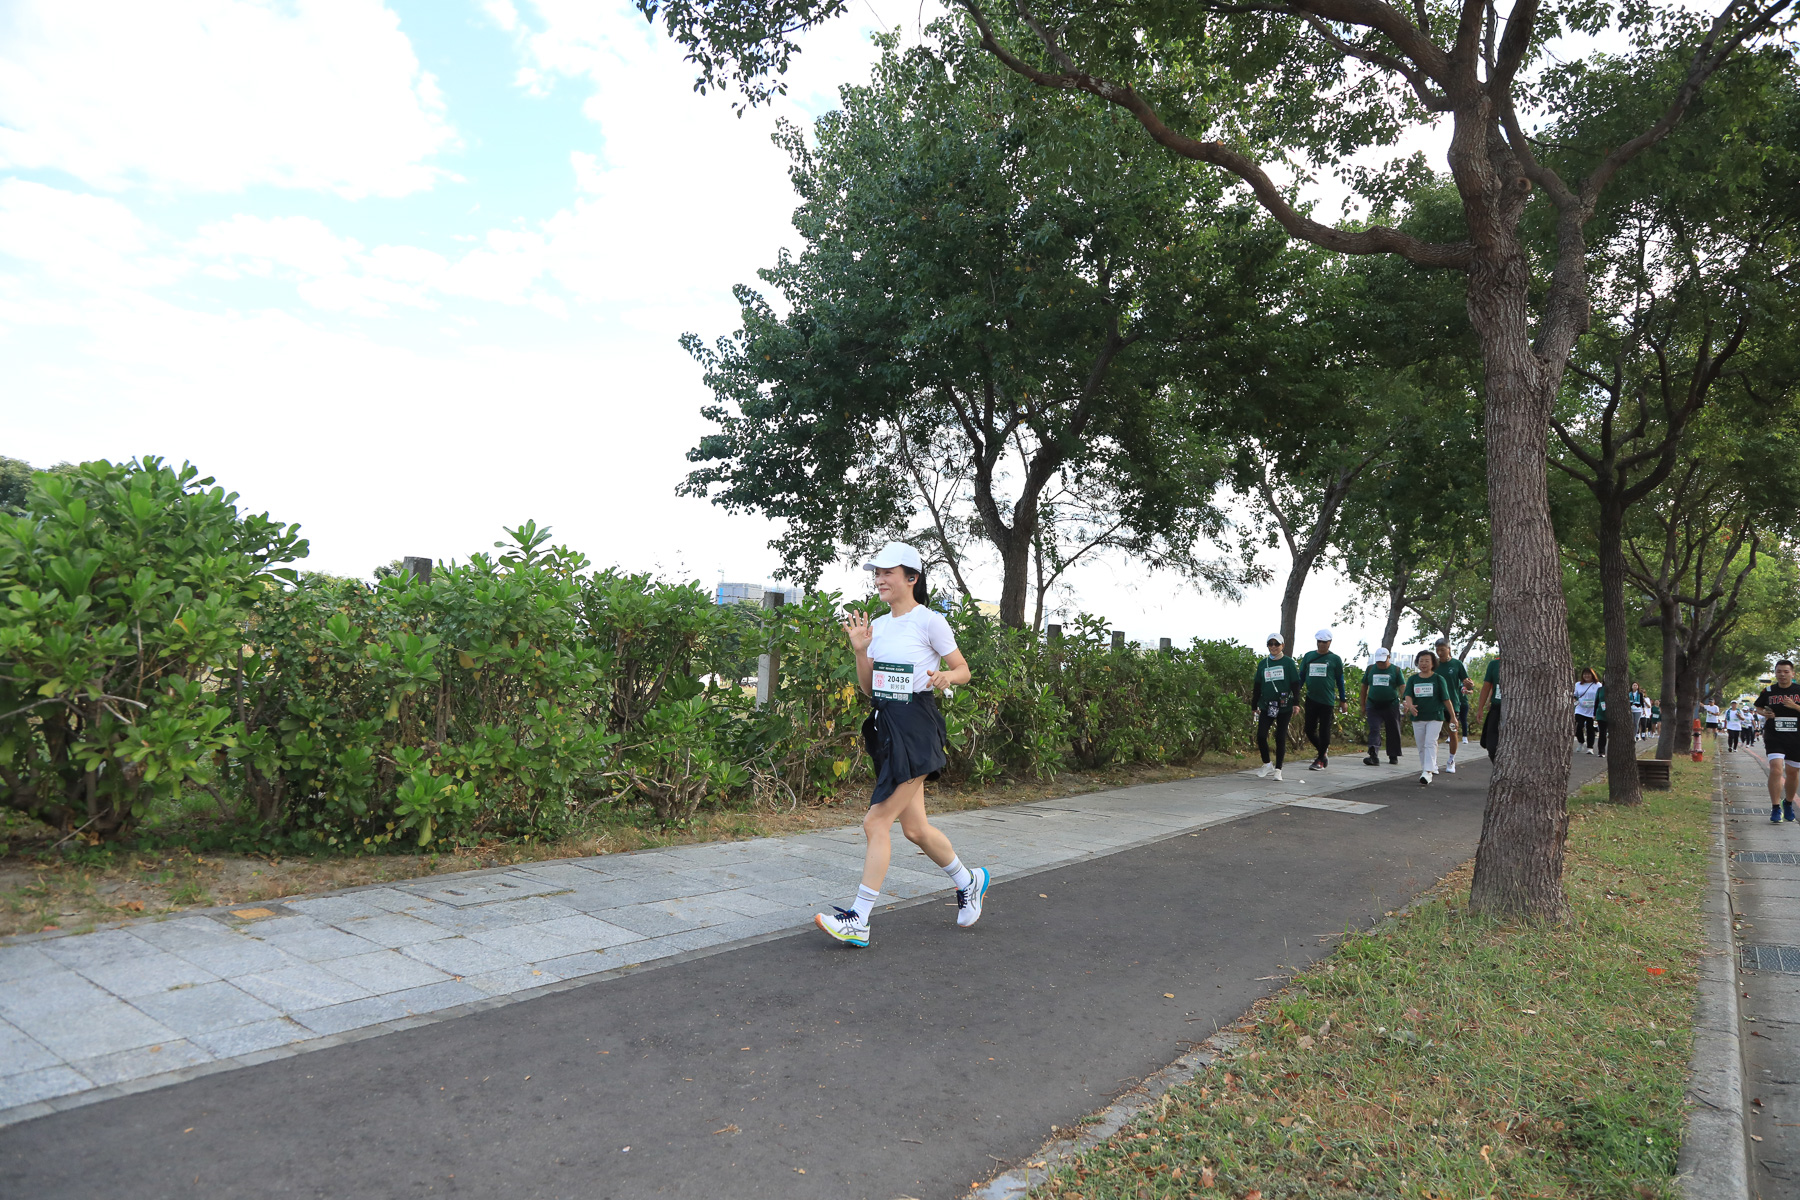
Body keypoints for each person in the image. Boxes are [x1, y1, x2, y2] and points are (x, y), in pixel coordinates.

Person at [816, 541, 987, 949]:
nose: (879, 579)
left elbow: (963, 669)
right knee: (915, 829)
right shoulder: (878, 625)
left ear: (911, 578)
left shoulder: (929, 621)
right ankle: (969, 880)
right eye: (876, 573)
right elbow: (868, 687)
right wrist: (861, 650)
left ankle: (858, 919)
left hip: (917, 727)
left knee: (876, 822)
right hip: (888, 726)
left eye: (887, 572)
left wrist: (946, 677)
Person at [1402, 649, 1459, 785]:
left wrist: (1453, 717)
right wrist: (1410, 706)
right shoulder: (1413, 679)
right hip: (1418, 717)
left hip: (1435, 716)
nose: (1424, 663)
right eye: (1421, 661)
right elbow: (1408, 695)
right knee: (1421, 745)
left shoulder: (1438, 679)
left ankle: (1428, 772)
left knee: (1430, 742)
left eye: (1427, 661)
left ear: (1433, 663)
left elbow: (1446, 699)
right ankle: (1427, 768)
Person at [1249, 633, 1301, 780]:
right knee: (1261, 735)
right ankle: (1267, 764)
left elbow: (1295, 684)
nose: (1273, 647)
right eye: (1270, 644)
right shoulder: (1263, 664)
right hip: (1267, 706)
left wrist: (1296, 703)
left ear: (1282, 645)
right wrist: (1254, 705)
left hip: (1284, 706)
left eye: (1276, 644)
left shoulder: (1288, 663)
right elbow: (1257, 686)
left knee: (1280, 736)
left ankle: (1278, 769)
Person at [1755, 661, 1800, 825]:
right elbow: (1758, 708)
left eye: (1786, 671)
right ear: (1775, 673)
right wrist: (1765, 713)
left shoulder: (1798, 690)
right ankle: (1775, 807)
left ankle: (1788, 803)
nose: (1782, 674)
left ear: (1792, 673)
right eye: (1779, 671)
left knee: (1792, 772)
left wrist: (1795, 706)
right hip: (1774, 735)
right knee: (1776, 769)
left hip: (1796, 736)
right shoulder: (1768, 691)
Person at [1298, 628, 1347, 770]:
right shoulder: (1309, 656)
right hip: (1311, 698)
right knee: (1309, 729)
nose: (1321, 644)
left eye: (1324, 642)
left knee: (1324, 730)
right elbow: (1301, 677)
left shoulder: (1335, 659)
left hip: (1327, 700)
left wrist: (1343, 700)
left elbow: (1340, 680)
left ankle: (1320, 760)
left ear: (1330, 642)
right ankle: (1323, 751)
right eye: (1319, 641)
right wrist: (1294, 694)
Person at [1433, 637, 1471, 772]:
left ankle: (1451, 760)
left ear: (1449, 649)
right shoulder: (1434, 664)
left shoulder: (1457, 664)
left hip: (1453, 704)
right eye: (1437, 650)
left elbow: (1466, 682)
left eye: (1442, 650)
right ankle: (1433, 763)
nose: (1440, 653)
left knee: (1453, 731)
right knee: (1434, 734)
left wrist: (1469, 685)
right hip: (1436, 704)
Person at [1360, 648, 1402, 766]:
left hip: (1391, 705)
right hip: (1373, 704)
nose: (1380, 664)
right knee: (1374, 729)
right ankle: (1373, 755)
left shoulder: (1396, 670)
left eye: (1383, 661)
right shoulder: (1370, 669)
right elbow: (1364, 687)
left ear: (1389, 658)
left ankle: (1393, 755)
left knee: (1393, 729)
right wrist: (1363, 704)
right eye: (1378, 661)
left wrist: (1406, 701)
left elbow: (1402, 686)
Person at [1473, 653, 1501, 764]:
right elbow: (1486, 687)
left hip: (1515, 710)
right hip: (1496, 708)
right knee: (1490, 744)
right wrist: (1480, 708)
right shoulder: (1494, 664)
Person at [1573, 667, 1602, 756]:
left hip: (1592, 710)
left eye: (1588, 674)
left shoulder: (1598, 685)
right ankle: (1581, 741)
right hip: (1580, 709)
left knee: (1590, 729)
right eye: (1585, 674)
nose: (1586, 676)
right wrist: (1575, 700)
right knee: (1578, 726)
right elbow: (1574, 695)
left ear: (1592, 675)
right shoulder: (1578, 684)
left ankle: (1590, 747)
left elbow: (1600, 696)